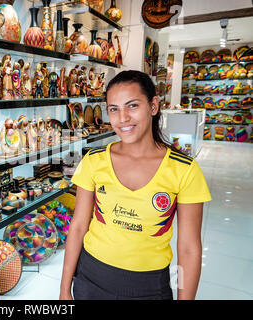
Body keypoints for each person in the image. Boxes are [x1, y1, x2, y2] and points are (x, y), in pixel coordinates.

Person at [60, 70, 212, 300]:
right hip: (90, 277)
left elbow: (189, 248)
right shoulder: (94, 160)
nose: (122, 118)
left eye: (132, 106)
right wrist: (64, 290)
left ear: (153, 106)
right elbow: (79, 226)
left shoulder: (184, 169)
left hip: (149, 286)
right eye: (114, 109)